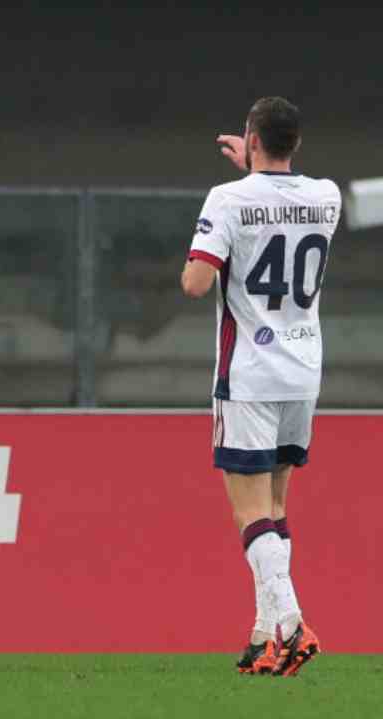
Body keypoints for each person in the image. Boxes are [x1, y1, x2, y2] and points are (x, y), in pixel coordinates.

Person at [181, 97, 337, 676]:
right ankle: (262, 636)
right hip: (303, 371)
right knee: (274, 506)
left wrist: (237, 191)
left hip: (248, 373)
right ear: (295, 143)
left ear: (250, 138)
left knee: (250, 514)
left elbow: (196, 284)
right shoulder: (327, 195)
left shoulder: (228, 200)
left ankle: (292, 625)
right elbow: (277, 202)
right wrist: (254, 169)